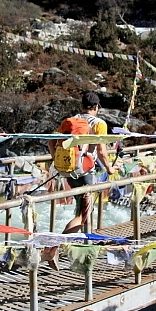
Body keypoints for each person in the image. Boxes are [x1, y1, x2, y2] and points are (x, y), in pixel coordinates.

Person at [48, 91, 116, 233]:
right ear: (96, 107)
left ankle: (81, 239)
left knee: (81, 207)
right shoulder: (99, 124)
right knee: (84, 213)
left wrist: (55, 158)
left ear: (82, 105)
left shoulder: (70, 121)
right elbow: (102, 151)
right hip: (85, 171)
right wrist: (109, 168)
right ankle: (56, 245)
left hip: (68, 170)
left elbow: (51, 140)